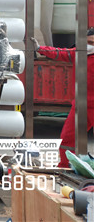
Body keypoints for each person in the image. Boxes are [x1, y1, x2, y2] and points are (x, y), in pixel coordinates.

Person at [32, 29, 94, 167]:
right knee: (67, 138)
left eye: (91, 43)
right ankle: (66, 166)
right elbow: (60, 53)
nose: (87, 46)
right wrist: (39, 48)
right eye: (86, 42)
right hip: (80, 107)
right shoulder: (79, 54)